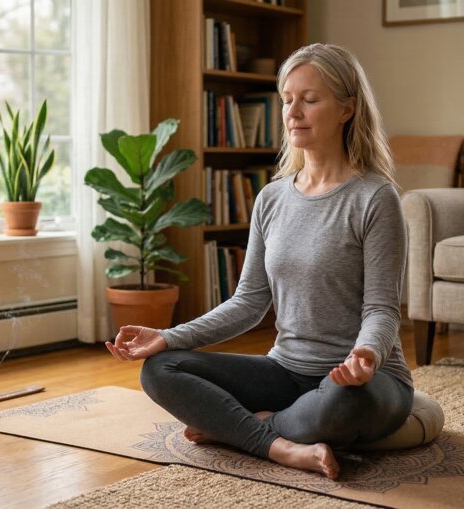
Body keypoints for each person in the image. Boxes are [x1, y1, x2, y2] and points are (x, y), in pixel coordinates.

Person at [105, 43, 411, 480]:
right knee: (160, 369)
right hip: (286, 371)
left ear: (347, 109)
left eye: (310, 99)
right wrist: (169, 337)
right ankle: (280, 445)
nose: (293, 112)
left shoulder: (375, 198)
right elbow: (248, 302)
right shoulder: (271, 198)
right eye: (287, 100)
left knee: (342, 405)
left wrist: (367, 354)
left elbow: (381, 309)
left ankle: (242, 427)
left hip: (363, 383)